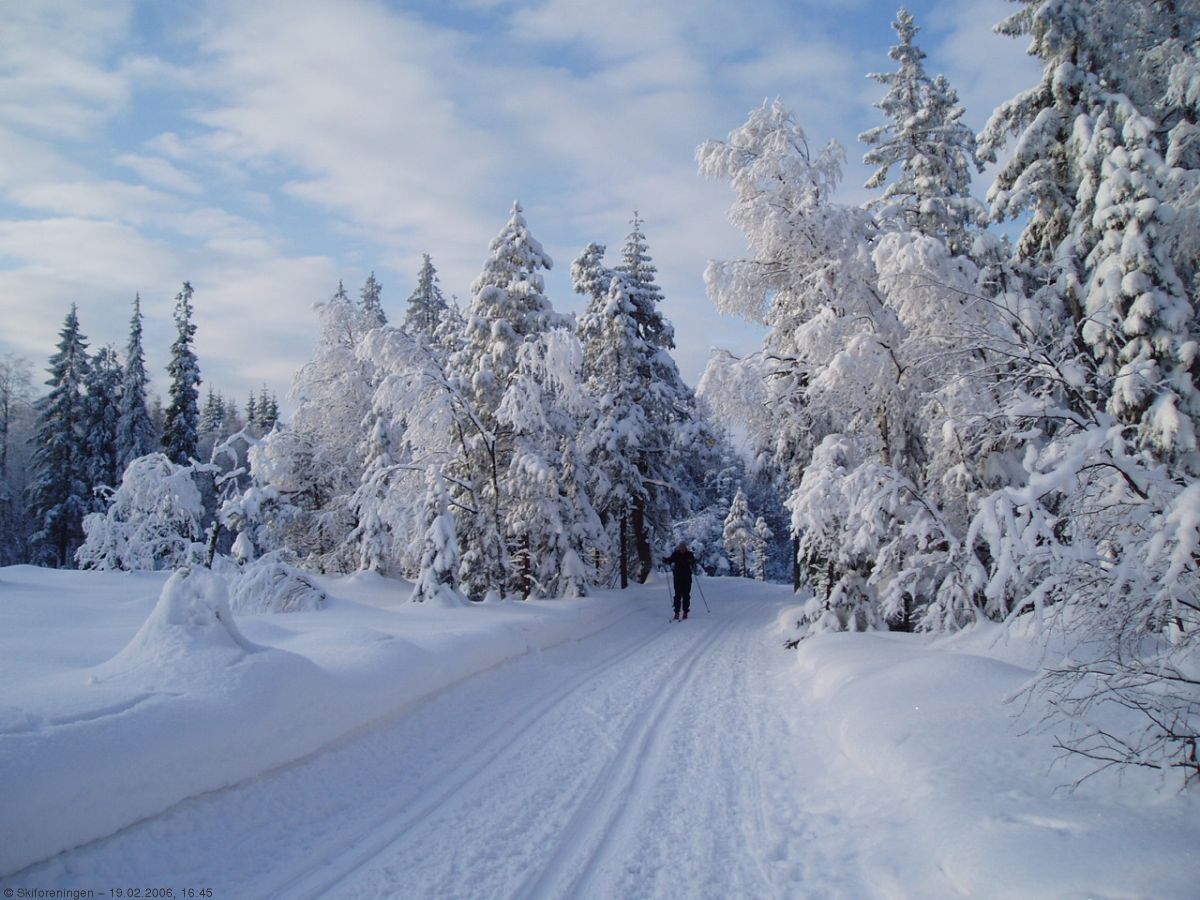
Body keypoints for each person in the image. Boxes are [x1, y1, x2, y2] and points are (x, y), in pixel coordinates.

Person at [664, 541, 697, 620]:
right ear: (679, 548)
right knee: (677, 595)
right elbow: (670, 560)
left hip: (687, 578)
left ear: (686, 548)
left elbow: (694, 562)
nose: (682, 549)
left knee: (686, 595)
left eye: (683, 547)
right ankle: (676, 612)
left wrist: (692, 562)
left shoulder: (689, 554)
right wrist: (666, 560)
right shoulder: (676, 554)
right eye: (681, 547)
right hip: (677, 577)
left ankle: (685, 612)